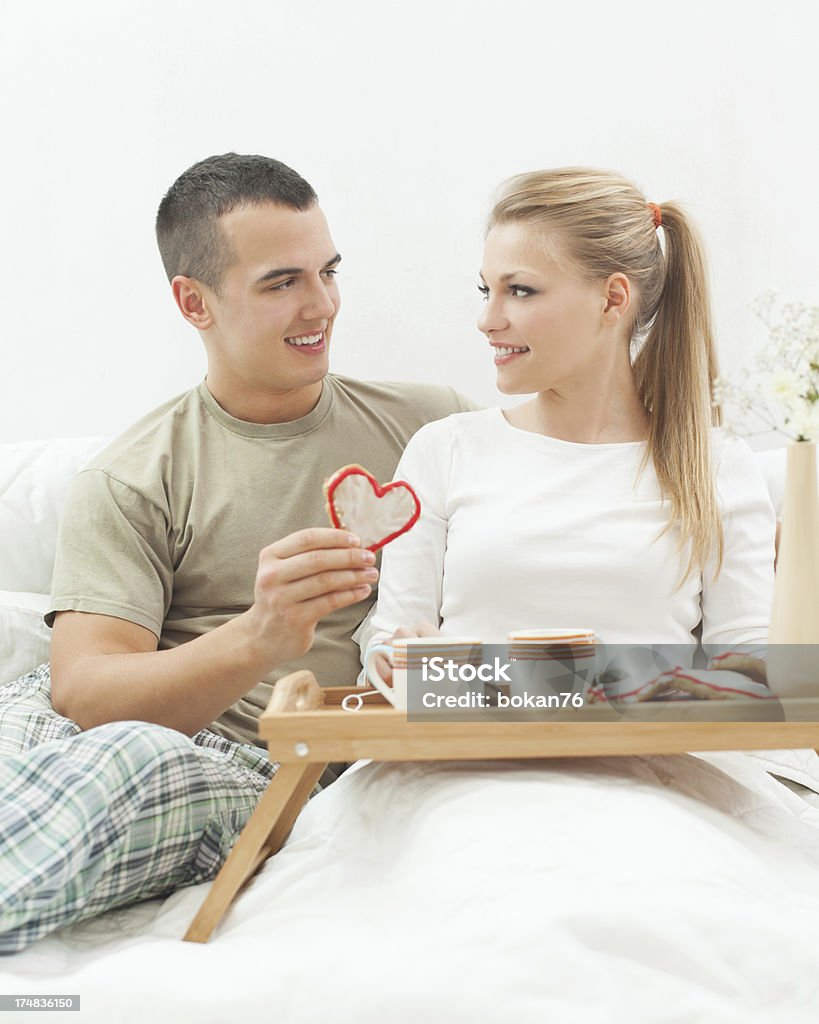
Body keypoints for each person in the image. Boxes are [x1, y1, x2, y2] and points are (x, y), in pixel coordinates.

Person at [0, 153, 475, 952]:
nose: (320, 304)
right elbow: (83, 691)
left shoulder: (432, 432)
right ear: (194, 302)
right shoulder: (131, 475)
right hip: (76, 727)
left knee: (131, 760)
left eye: (328, 271)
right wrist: (257, 636)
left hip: (243, 768)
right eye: (280, 281)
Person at [363, 168, 775, 681]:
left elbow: (749, 672)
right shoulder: (443, 450)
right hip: (468, 756)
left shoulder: (715, 465)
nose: (487, 319)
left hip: (647, 756)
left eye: (520, 290)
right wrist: (404, 664)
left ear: (613, 299)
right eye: (486, 289)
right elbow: (388, 654)